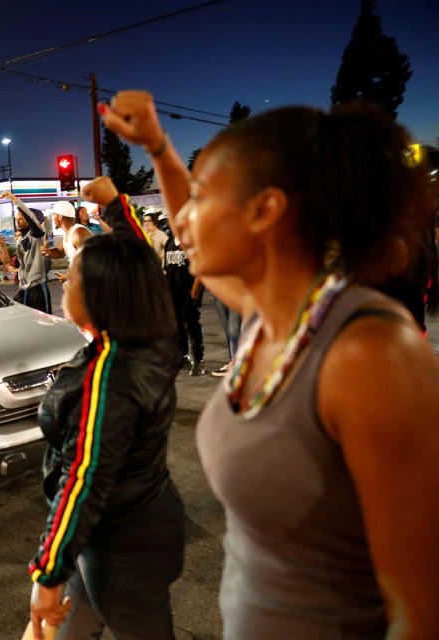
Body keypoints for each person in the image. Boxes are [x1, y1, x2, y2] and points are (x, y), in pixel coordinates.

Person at [101, 90, 439, 638]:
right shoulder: (271, 317)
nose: (183, 220)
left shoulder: (368, 355)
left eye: (204, 194)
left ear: (265, 210)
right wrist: (160, 149)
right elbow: (192, 237)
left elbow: (422, 612)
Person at [27, 231, 185, 639]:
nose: (64, 282)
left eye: (73, 276)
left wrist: (47, 575)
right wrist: (115, 207)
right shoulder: (151, 343)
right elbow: (139, 262)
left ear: (101, 291)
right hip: (139, 523)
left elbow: (83, 480)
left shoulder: (107, 377)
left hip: (121, 548)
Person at [163, 229, 206, 375]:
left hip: (188, 290)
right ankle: (183, 356)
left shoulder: (191, 241)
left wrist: (194, 294)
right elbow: (166, 269)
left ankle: (198, 361)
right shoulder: (170, 241)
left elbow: (200, 269)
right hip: (173, 291)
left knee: (192, 325)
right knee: (177, 325)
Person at [2, 190, 52, 314]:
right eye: (17, 218)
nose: (17, 220)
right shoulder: (20, 240)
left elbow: (32, 219)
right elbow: (26, 264)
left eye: (22, 218)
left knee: (44, 324)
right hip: (24, 288)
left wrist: (15, 199)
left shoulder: (37, 235)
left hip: (37, 287)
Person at [40, 201, 92, 281]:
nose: (52, 218)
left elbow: (92, 263)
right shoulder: (69, 233)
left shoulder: (78, 233)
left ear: (60, 217)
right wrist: (47, 252)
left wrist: (69, 277)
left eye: (54, 215)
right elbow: (60, 253)